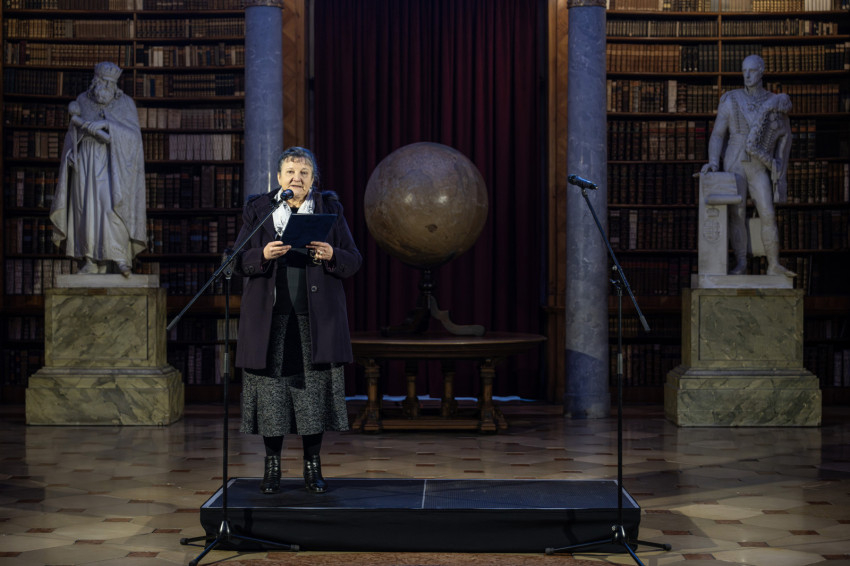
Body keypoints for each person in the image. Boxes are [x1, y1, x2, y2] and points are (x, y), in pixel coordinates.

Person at [233, 147, 362, 494]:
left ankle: (312, 465)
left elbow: (353, 260)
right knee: (271, 398)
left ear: (313, 179)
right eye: (290, 172)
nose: (296, 178)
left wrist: (332, 254)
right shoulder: (259, 209)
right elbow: (235, 259)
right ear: (279, 178)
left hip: (315, 321)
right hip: (270, 321)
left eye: (304, 172)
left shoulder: (329, 208)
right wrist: (261, 254)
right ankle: (272, 466)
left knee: (311, 399)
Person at [700, 54, 794, 277]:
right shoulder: (731, 99)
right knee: (737, 213)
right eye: (744, 71)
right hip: (734, 164)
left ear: (761, 71)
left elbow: (785, 138)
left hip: (759, 165)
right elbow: (717, 135)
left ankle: (773, 264)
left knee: (767, 212)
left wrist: (779, 169)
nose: (747, 75)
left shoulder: (775, 102)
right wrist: (713, 162)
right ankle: (741, 262)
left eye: (751, 71)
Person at [50, 61, 147, 277]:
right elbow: (71, 135)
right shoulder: (82, 101)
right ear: (95, 81)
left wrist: (107, 125)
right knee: (86, 212)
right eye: (102, 82)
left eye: (110, 84)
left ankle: (121, 257)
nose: (106, 87)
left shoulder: (125, 103)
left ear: (115, 86)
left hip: (113, 165)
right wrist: (72, 151)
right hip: (85, 163)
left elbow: (134, 138)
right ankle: (91, 261)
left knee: (111, 208)